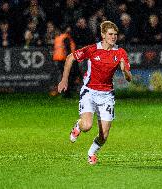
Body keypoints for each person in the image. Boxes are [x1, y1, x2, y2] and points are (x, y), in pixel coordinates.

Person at [57, 21, 132, 165]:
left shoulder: (120, 52)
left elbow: (129, 79)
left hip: (107, 96)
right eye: (110, 34)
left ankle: (91, 152)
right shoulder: (92, 49)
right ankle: (78, 126)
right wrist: (64, 80)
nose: (113, 37)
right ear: (103, 35)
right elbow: (70, 58)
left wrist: (124, 70)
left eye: (115, 34)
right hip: (89, 92)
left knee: (104, 136)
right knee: (87, 126)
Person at [53, 25, 77, 98]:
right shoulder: (66, 38)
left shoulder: (59, 38)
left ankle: (65, 93)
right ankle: (67, 94)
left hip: (60, 60)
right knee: (68, 77)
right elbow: (68, 50)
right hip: (64, 60)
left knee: (65, 77)